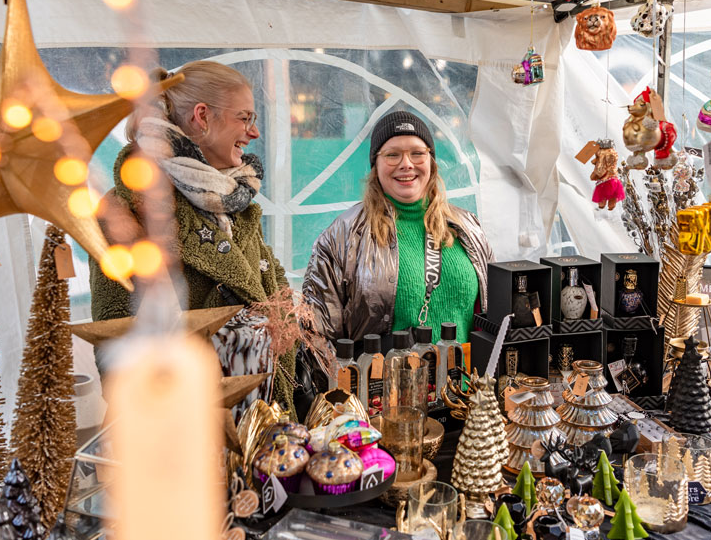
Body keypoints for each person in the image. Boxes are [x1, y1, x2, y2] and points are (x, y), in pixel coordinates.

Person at [89, 60, 294, 409]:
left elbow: (274, 287)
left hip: (264, 418)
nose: (254, 133)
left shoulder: (234, 199)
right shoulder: (129, 209)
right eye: (244, 118)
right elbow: (118, 342)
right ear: (202, 116)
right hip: (189, 425)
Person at [302, 111, 493, 345]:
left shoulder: (467, 227)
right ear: (376, 165)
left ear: (431, 162)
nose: (406, 164)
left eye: (417, 154)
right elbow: (317, 336)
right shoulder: (343, 235)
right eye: (393, 155)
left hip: (464, 381)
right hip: (383, 380)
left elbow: (493, 312)